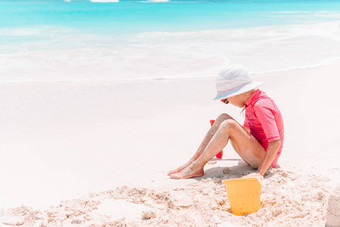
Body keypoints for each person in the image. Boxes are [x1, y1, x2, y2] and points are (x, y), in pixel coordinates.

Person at [168, 65, 284, 179]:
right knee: (223, 118)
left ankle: (197, 166)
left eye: (226, 99)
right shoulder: (250, 103)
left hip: (265, 160)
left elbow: (275, 142)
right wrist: (217, 140)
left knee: (229, 125)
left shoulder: (260, 105)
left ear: (238, 92)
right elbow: (246, 133)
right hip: (258, 153)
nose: (227, 101)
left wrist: (259, 173)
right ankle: (193, 162)